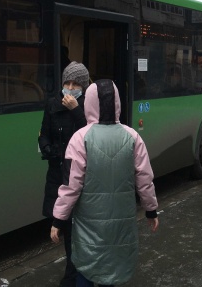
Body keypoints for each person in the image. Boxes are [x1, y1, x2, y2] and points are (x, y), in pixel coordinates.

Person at [50, 79, 159, 287]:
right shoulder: (133, 137)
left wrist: (58, 219)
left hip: (89, 222)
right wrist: (151, 210)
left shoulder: (79, 138)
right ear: (117, 103)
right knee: (113, 268)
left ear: (88, 102)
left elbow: (71, 185)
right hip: (122, 220)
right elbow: (145, 179)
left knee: (86, 266)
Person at [38, 61, 90, 287]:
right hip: (57, 175)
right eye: (67, 83)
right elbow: (43, 134)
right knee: (65, 226)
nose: (70, 88)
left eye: (75, 84)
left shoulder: (88, 107)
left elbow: (89, 135)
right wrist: (47, 148)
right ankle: (73, 273)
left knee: (75, 232)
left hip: (78, 177)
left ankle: (72, 278)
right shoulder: (52, 105)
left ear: (83, 87)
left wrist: (75, 110)